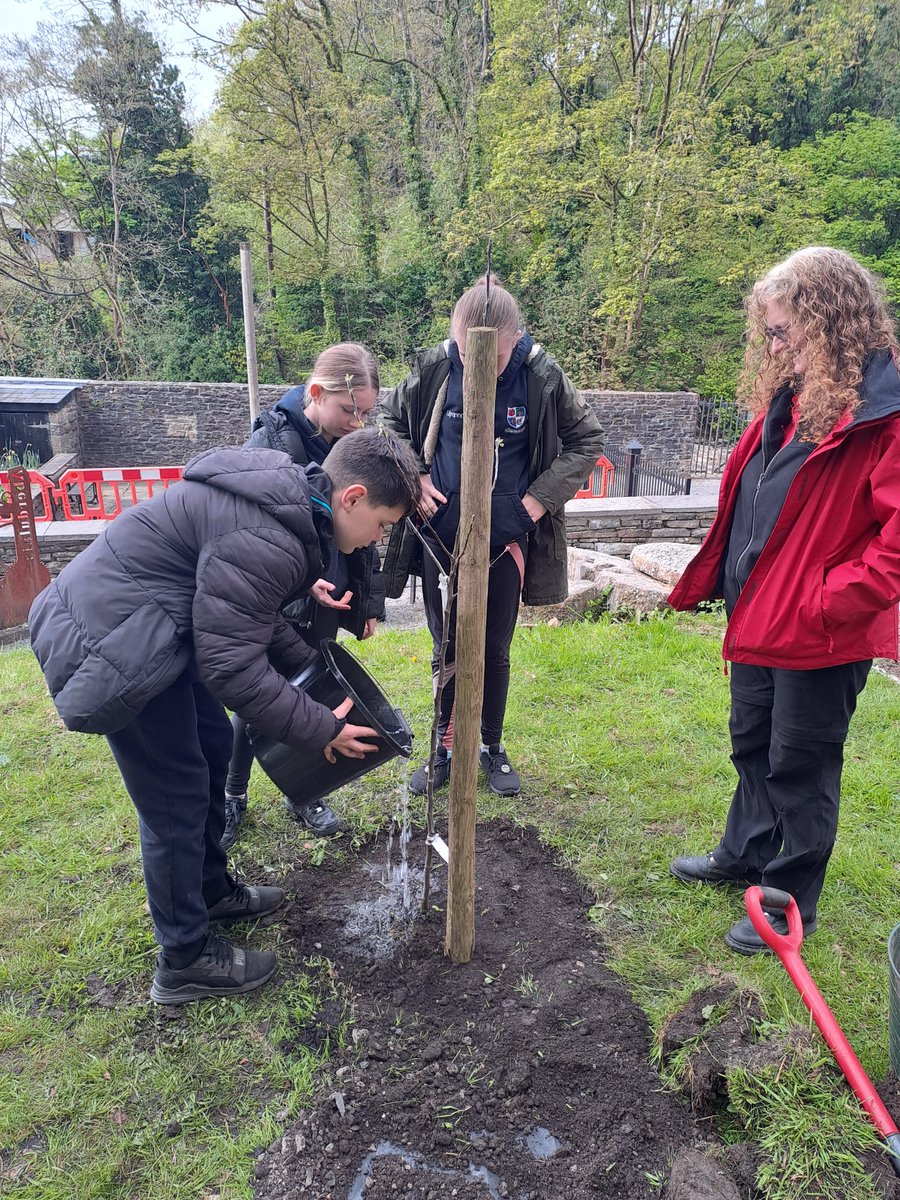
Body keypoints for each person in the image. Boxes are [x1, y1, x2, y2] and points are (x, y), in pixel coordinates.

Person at [29, 429, 421, 1003]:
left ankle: (209, 890)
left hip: (153, 623)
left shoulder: (289, 506)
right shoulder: (272, 534)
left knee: (214, 748)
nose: (376, 541)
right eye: (383, 525)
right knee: (175, 797)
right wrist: (322, 730)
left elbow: (250, 617)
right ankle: (184, 958)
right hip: (114, 643)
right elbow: (231, 669)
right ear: (353, 497)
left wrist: (313, 671)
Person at [668, 246, 900, 954]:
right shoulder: (795, 399)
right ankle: (745, 851)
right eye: (766, 334)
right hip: (762, 616)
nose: (772, 347)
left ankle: (788, 896)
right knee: (752, 743)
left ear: (829, 323)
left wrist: (827, 600)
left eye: (781, 333)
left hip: (820, 630)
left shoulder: (883, 415)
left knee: (801, 760)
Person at [379, 275, 604, 796]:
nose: (476, 362)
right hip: (441, 535)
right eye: (465, 348)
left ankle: (490, 747)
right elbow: (388, 421)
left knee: (494, 648)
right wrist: (417, 475)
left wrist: (534, 500)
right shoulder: (435, 367)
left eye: (492, 356)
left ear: (515, 339)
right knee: (446, 647)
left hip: (506, 538)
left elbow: (587, 438)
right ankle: (443, 748)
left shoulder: (540, 374)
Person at [223, 343, 384, 848]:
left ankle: (304, 789)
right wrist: (296, 585)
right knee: (258, 696)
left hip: (327, 597)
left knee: (314, 687)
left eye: (367, 414)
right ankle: (232, 795)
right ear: (316, 394)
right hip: (276, 596)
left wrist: (368, 603)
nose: (357, 424)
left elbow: (368, 528)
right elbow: (250, 538)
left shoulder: (348, 444)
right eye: (349, 411)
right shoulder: (271, 443)